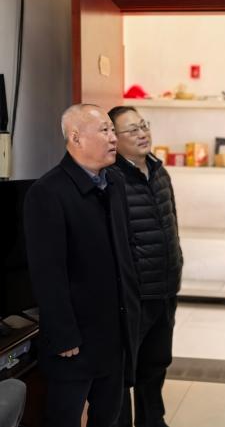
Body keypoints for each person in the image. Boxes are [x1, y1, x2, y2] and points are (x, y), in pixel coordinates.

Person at [23, 104, 140, 427]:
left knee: (109, 417)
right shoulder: (48, 192)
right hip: (74, 341)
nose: (113, 137)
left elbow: (127, 250)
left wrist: (133, 312)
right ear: (75, 137)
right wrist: (64, 336)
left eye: (112, 130)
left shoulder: (115, 182)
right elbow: (48, 273)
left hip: (114, 334)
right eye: (104, 130)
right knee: (64, 418)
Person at [108, 106, 183, 427]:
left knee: (156, 363)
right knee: (125, 369)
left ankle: (153, 421)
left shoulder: (159, 170)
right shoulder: (111, 179)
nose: (142, 134)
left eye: (144, 126)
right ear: (114, 138)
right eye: (132, 130)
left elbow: (172, 223)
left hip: (164, 289)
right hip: (133, 295)